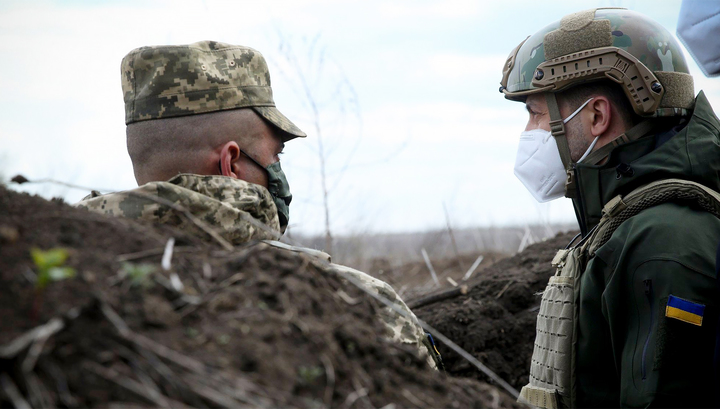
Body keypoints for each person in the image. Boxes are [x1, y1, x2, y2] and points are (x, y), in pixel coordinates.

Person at [75, 40, 441, 370]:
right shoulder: (353, 301)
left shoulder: (65, 271)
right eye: (275, 155)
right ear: (231, 163)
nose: (278, 173)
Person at [499, 8, 720, 407]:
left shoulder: (664, 242)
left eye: (534, 114)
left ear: (597, 116)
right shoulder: (625, 223)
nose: (528, 134)